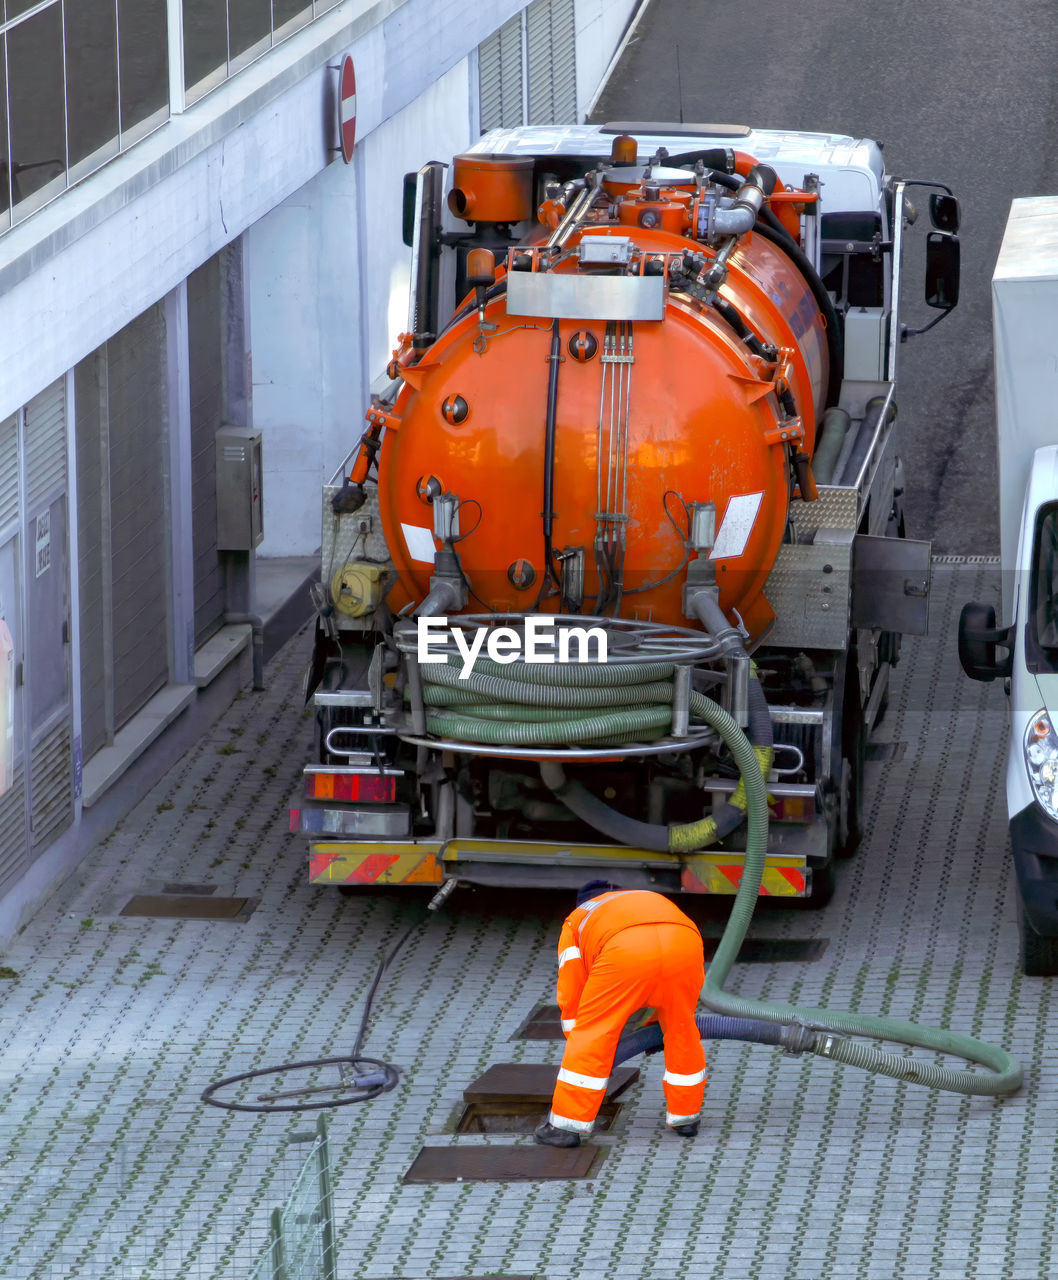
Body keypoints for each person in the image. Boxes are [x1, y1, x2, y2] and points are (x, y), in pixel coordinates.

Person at [535, 881, 707, 1148]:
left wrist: (576, 1035)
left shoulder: (577, 919)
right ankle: (687, 1117)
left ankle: (566, 1127)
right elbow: (660, 974)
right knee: (682, 1027)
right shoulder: (644, 897)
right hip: (684, 943)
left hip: (626, 950)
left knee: (593, 1034)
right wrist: (654, 1026)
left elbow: (572, 991)